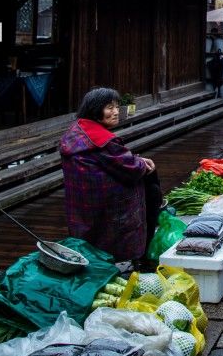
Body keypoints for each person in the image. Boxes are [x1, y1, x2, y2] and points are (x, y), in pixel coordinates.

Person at [60, 87, 157, 263]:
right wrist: (142, 163)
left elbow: (115, 159)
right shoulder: (101, 140)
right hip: (106, 205)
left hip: (82, 203)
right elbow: (130, 167)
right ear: (95, 110)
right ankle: (130, 260)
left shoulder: (77, 130)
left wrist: (137, 159)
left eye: (116, 107)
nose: (115, 112)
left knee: (90, 239)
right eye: (109, 108)